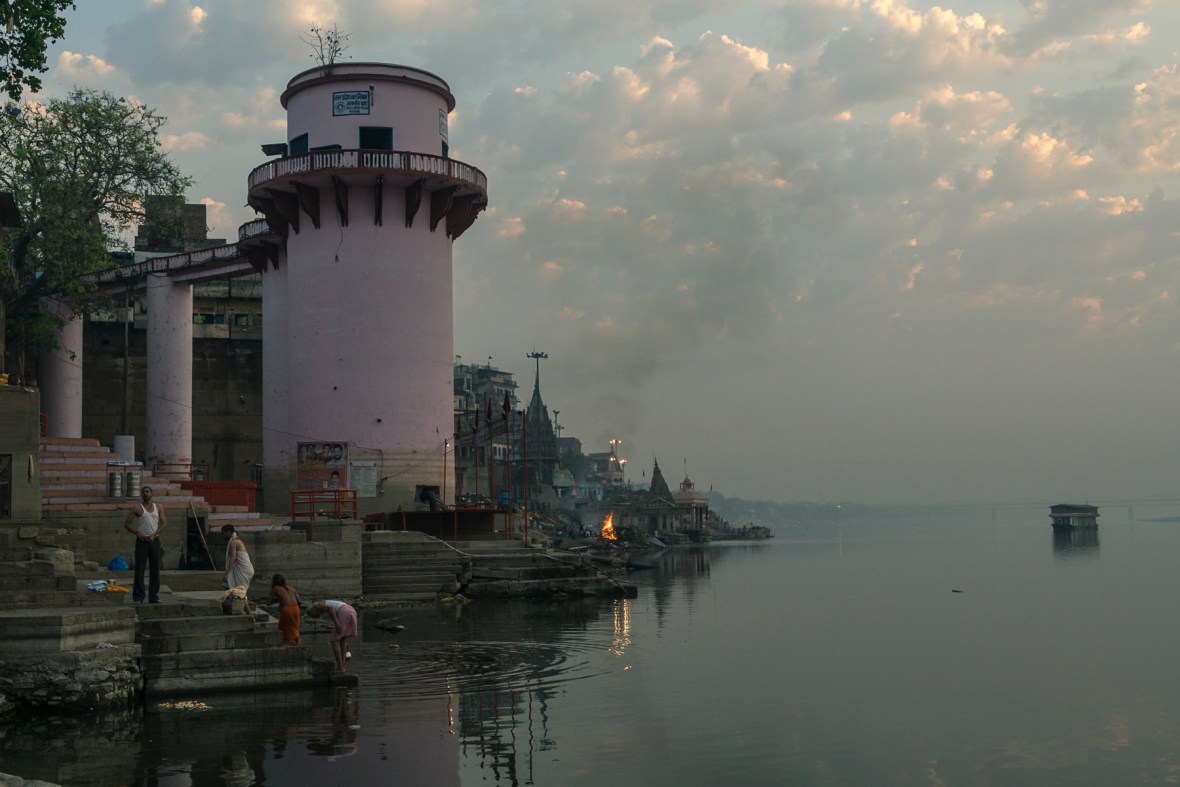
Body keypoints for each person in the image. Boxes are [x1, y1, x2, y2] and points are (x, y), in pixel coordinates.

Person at [123, 485, 166, 604]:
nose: (145, 494)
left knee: (155, 569)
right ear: (141, 495)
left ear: (151, 494)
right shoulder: (137, 508)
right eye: (143, 492)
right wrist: (138, 533)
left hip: (155, 541)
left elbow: (163, 524)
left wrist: (155, 534)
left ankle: (154, 596)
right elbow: (127, 524)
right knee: (140, 569)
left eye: (147, 492)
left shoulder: (159, 507)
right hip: (142, 542)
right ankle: (138, 597)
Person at [306, 599, 358, 674]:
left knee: (334, 640)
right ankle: (342, 667)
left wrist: (336, 624)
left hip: (344, 612)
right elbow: (334, 612)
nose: (313, 617)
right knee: (342, 639)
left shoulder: (317, 606)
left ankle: (340, 667)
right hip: (351, 610)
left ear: (311, 609)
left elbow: (331, 608)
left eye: (311, 615)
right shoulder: (322, 608)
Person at [222, 524, 255, 613]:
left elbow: (233, 559)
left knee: (240, 592)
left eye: (224, 533)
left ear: (229, 532)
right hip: (245, 569)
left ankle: (250, 615)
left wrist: (226, 573)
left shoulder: (234, 542)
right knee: (238, 590)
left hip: (244, 570)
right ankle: (247, 610)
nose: (223, 535)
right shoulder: (236, 541)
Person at [268, 574, 302, 645]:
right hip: (296, 608)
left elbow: (268, 602)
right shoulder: (292, 588)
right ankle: (296, 645)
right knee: (294, 628)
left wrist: (277, 600)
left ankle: (292, 646)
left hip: (287, 609)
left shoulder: (276, 588)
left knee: (287, 629)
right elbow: (299, 601)